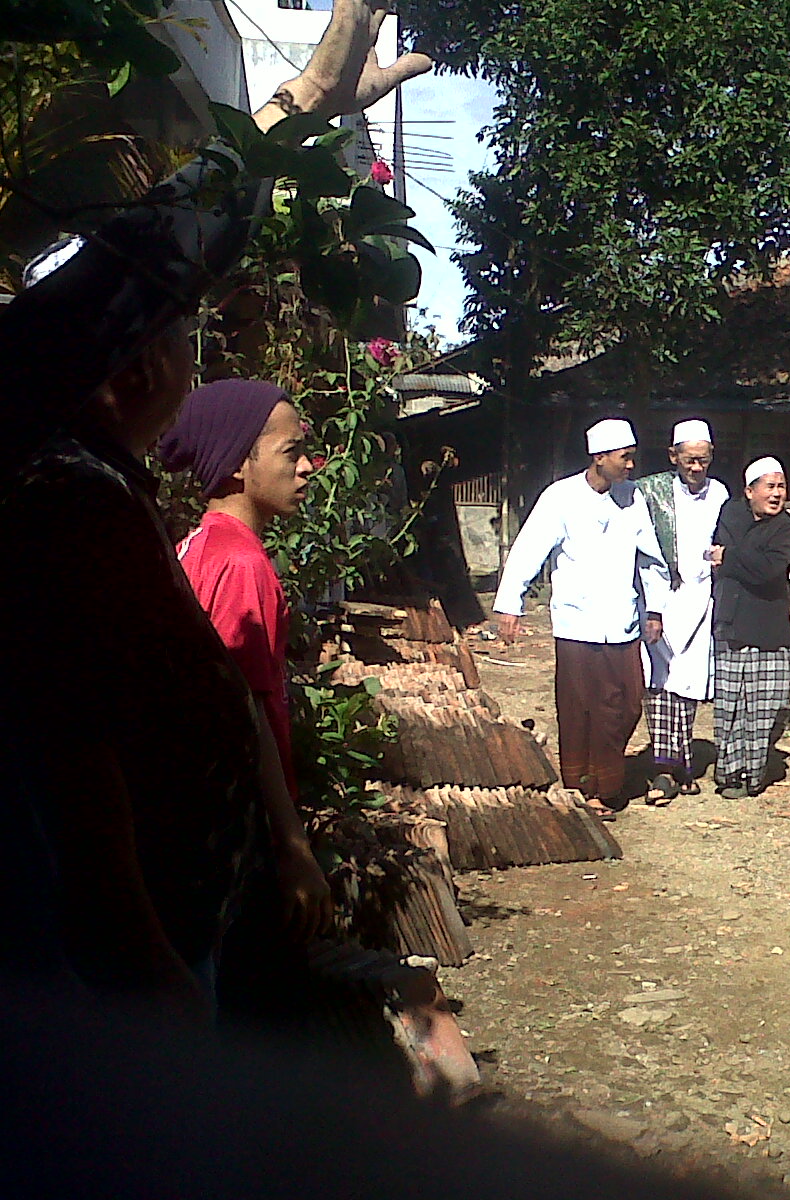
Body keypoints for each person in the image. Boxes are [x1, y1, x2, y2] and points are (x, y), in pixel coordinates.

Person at [0, 1, 428, 1013]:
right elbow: (77, 751)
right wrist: (141, 952)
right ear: (140, 359)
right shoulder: (63, 492)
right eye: (179, 329)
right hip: (121, 977)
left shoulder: (91, 482)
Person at [157, 381, 334, 948]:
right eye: (291, 453)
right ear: (238, 464)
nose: (309, 468)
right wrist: (293, 846)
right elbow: (249, 706)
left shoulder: (198, 543)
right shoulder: (242, 563)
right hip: (234, 824)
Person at [494, 419, 671, 817]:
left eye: (631, 458)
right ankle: (589, 789)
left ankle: (601, 776)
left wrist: (655, 608)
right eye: (624, 458)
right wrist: (510, 603)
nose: (630, 466)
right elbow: (529, 549)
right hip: (577, 622)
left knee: (627, 705)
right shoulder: (560, 497)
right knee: (580, 707)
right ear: (600, 457)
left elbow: (651, 558)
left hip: (622, 621)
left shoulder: (632, 497)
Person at [635, 419, 728, 801]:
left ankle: (682, 762)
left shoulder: (720, 493)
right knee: (658, 681)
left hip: (701, 599)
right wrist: (652, 606)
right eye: (689, 460)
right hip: (660, 598)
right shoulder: (651, 493)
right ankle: (663, 768)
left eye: (703, 461)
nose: (696, 468)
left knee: (688, 683)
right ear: (673, 457)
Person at [709, 458, 790, 798]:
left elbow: (768, 570)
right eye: (770, 487)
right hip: (731, 621)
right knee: (729, 706)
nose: (777, 494)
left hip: (768, 627)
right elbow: (741, 560)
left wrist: (729, 557)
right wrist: (742, 558)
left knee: (762, 708)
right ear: (749, 492)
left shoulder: (788, 528)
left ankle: (753, 774)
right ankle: (728, 772)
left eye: (781, 487)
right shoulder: (730, 514)